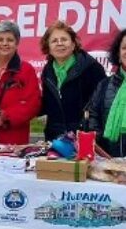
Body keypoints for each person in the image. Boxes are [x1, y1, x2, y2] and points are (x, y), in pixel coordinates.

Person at [40, 20, 106, 141]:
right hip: (55, 139)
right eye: (54, 41)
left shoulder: (92, 68)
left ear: (73, 44)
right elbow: (46, 105)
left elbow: (102, 105)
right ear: (48, 47)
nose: (60, 43)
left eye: (64, 39)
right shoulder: (47, 71)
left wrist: (88, 131)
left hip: (85, 138)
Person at [0, 20, 41, 144]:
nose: (5, 43)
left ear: (17, 43)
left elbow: (33, 104)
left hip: (13, 138)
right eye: (0, 40)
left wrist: (4, 117)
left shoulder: (26, 69)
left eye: (10, 40)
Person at [88, 29, 126, 157]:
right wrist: (100, 142)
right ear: (118, 55)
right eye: (125, 48)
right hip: (110, 162)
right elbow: (93, 115)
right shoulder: (104, 85)